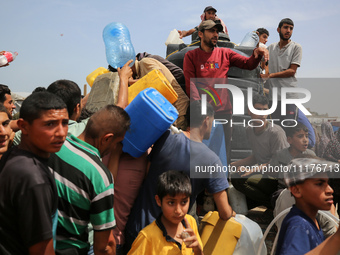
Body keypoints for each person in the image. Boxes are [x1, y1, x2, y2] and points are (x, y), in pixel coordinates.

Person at [125, 100, 235, 251]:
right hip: (169, 242)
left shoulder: (165, 138)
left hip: (139, 229)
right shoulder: (212, 160)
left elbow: (146, 173)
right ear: (206, 120)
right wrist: (232, 212)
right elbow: (224, 212)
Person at [48, 104, 130, 255]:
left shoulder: (54, 147)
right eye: (117, 142)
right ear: (107, 138)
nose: (115, 148)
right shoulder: (100, 176)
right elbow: (103, 246)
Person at [183, 19, 268, 164]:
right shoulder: (191, 56)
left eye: (217, 31)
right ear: (201, 34)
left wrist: (257, 53)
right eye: (211, 31)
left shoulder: (225, 54)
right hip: (203, 114)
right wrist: (200, 113)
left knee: (223, 151)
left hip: (224, 113)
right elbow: (191, 86)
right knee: (200, 152)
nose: (216, 34)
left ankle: (222, 183)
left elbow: (248, 64)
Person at [0, 91, 68, 254]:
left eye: (64, 123)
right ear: (23, 126)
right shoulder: (33, 178)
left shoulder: (14, 155)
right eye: (50, 124)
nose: (61, 133)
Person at [261, 18, 315, 148]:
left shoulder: (296, 47)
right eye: (285, 27)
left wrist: (270, 75)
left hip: (289, 98)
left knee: (289, 131)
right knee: (277, 131)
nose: (288, 31)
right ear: (279, 29)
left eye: (291, 28)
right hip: (274, 99)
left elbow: (291, 71)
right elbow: (265, 67)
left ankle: (291, 164)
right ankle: (279, 162)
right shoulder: (270, 48)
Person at [231, 93, 289, 209]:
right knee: (235, 175)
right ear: (250, 111)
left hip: (281, 181)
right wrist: (233, 164)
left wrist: (251, 170)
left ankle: (274, 206)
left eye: (265, 110)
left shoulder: (276, 133)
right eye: (258, 110)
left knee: (239, 180)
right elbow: (256, 156)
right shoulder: (250, 130)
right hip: (265, 174)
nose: (262, 114)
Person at [128, 170, 203, 255]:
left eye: (184, 202)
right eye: (171, 203)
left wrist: (198, 250)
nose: (178, 211)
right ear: (159, 201)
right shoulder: (147, 237)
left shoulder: (190, 222)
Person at [276, 157, 335, 255]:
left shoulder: (311, 220)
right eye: (319, 184)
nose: (330, 190)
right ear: (296, 190)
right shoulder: (299, 226)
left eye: (327, 183)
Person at [129, 57, 189, 130]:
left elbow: (160, 80)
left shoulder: (145, 62)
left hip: (179, 110)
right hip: (171, 114)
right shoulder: (137, 75)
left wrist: (130, 82)